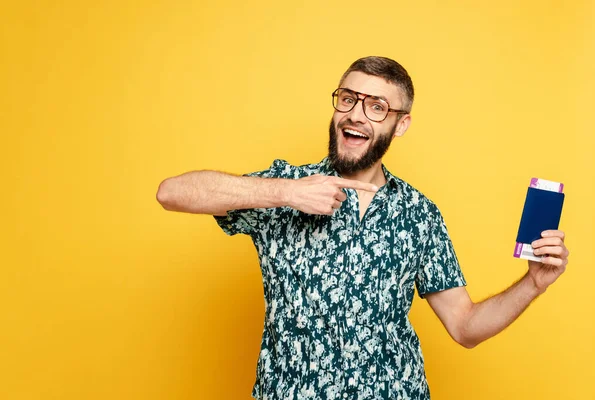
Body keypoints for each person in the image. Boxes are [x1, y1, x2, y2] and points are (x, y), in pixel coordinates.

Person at [155, 56, 569, 400]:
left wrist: (533, 283)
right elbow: (172, 193)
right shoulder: (285, 189)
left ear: (400, 124)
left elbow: (465, 327)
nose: (356, 114)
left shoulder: (418, 214)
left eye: (376, 106)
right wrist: (287, 192)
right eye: (348, 99)